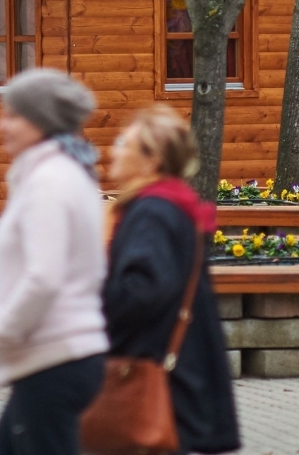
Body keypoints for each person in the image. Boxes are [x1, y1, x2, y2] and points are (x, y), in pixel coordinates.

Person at [0, 68, 108, 455]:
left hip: (52, 360)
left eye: (13, 115)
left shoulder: (48, 183)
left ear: (41, 121)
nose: (2, 125)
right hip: (58, 358)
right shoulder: (67, 174)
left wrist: (1, 334)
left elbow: (44, 277)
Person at [103, 105, 240, 455]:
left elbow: (142, 290)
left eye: (122, 142)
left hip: (151, 371)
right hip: (174, 372)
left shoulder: (153, 213)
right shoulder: (169, 205)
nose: (112, 150)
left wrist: (88, 291)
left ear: (152, 160)